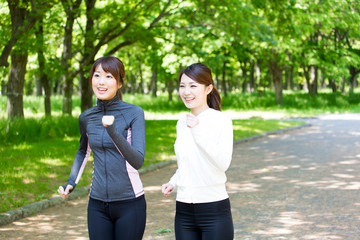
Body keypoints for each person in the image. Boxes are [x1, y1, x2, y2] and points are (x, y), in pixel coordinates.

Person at [58, 56, 146, 240]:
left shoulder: (134, 113)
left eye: (109, 77)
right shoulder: (86, 117)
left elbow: (138, 160)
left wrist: (113, 131)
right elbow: (83, 151)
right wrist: (71, 182)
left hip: (130, 203)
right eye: (97, 75)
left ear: (120, 83)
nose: (101, 82)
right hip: (97, 205)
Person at [161, 63, 234, 240]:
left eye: (193, 86)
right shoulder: (181, 122)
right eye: (182, 86)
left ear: (208, 88)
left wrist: (198, 132)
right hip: (184, 210)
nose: (186, 92)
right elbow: (187, 163)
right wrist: (173, 182)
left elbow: (222, 163)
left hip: (214, 209)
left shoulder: (221, 120)